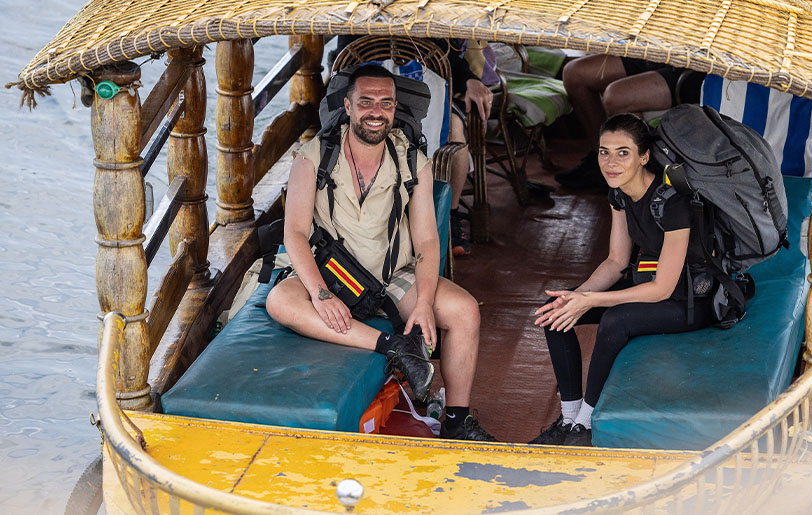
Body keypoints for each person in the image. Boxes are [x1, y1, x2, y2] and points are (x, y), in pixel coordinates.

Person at [266, 65, 496, 442]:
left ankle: (456, 419)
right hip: (331, 272)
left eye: (385, 103)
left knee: (464, 310)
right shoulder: (312, 157)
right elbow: (294, 233)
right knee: (280, 302)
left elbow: (425, 242)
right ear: (348, 106)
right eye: (366, 102)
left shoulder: (411, 160)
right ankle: (394, 347)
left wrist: (423, 302)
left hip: (390, 276)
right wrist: (320, 294)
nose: (376, 111)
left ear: (394, 108)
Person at [530, 114, 718, 446]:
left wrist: (592, 301)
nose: (611, 162)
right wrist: (576, 297)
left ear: (644, 156)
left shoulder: (672, 203)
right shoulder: (618, 193)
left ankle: (585, 425)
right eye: (604, 152)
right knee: (553, 311)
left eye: (623, 153)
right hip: (647, 287)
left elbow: (663, 289)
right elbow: (617, 262)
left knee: (616, 320)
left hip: (689, 300)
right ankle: (569, 415)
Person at [335, 36, 494, 257]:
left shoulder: (425, 21)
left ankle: (449, 216)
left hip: (425, 94)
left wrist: (469, 80)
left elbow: (448, 61)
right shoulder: (357, 18)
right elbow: (345, 61)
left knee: (455, 133)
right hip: (372, 96)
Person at [556, 56, 695, 190]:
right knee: (574, 74)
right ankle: (600, 160)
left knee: (615, 96)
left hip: (687, 65)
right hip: (650, 53)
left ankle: (641, 177)